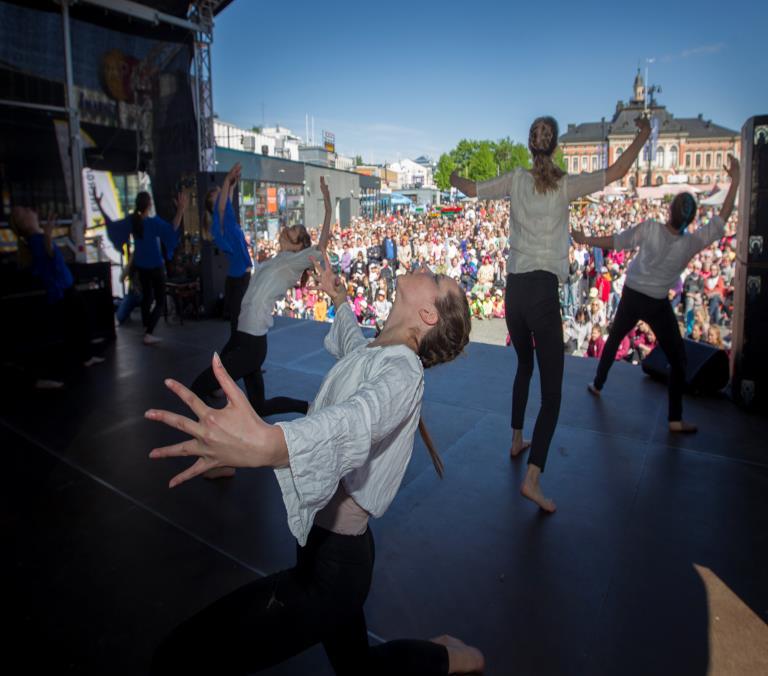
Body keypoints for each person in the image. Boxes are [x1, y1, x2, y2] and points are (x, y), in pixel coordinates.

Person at [145, 253, 482, 676]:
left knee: (180, 659)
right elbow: (352, 349)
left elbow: (357, 420)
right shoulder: (383, 352)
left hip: (335, 570)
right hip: (325, 553)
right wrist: (339, 298)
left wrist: (272, 443)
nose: (424, 268)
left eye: (434, 276)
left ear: (428, 313)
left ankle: (453, 658)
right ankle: (445, 656)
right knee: (358, 668)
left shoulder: (405, 372)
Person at [450, 114, 650, 511]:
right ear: (555, 146)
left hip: (514, 294)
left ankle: (515, 439)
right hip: (542, 293)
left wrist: (455, 177)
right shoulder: (565, 184)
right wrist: (642, 134)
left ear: (530, 145)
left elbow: (471, 188)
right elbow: (617, 171)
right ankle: (533, 478)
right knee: (553, 394)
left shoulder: (514, 180)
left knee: (524, 364)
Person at [574, 156, 740, 433]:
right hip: (657, 302)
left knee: (614, 338)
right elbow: (721, 219)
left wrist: (586, 239)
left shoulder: (650, 228)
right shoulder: (692, 243)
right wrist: (735, 179)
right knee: (678, 358)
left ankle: (598, 383)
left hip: (632, 294)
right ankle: (675, 419)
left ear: (670, 210)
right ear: (691, 218)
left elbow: (617, 241)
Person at [189, 177, 333, 424]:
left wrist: (328, 207)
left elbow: (321, 245)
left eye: (295, 231)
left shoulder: (294, 263)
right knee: (259, 407)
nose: (289, 229)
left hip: (252, 343)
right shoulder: (279, 259)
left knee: (200, 385)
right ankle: (308, 407)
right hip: (248, 338)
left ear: (299, 247)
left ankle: (202, 428)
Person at [10, 208, 105, 387]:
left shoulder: (36, 240)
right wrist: (47, 234)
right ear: (25, 223)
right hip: (62, 292)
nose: (30, 211)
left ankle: (85, 357)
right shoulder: (36, 241)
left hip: (64, 290)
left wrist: (47, 233)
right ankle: (47, 377)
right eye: (24, 213)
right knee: (69, 330)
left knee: (77, 325)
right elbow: (50, 256)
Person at [96, 187, 188, 345]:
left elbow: (112, 225)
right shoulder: (152, 223)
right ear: (149, 205)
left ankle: (146, 326)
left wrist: (100, 206)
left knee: (147, 297)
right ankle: (149, 332)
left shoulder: (132, 222)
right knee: (159, 300)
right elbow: (172, 228)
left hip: (141, 266)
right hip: (155, 266)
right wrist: (180, 210)